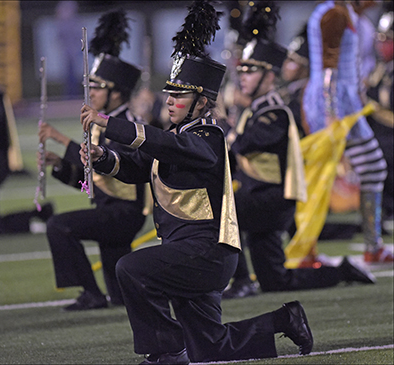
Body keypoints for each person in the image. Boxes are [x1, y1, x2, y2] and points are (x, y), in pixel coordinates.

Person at [79, 1, 313, 363]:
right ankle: (286, 319)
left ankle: (166, 350)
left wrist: (110, 123)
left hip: (207, 252)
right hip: (186, 251)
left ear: (202, 102)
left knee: (132, 268)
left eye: (179, 95)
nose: (169, 100)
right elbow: (137, 167)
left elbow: (170, 146)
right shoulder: (176, 136)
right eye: (168, 93)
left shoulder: (208, 136)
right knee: (210, 345)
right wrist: (102, 158)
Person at [222, 1, 375, 300]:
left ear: (269, 77)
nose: (243, 77)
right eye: (243, 70)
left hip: (272, 200)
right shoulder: (252, 111)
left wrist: (227, 127)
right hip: (260, 197)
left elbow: (242, 144)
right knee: (277, 281)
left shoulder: (275, 113)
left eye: (251, 71)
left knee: (223, 213)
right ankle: (341, 271)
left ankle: (240, 280)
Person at [40, 9, 147, 310]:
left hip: (124, 212)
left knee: (59, 226)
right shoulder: (103, 123)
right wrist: (59, 164)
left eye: (98, 86)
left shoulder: (128, 124)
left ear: (117, 94)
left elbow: (120, 167)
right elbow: (92, 181)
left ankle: (91, 293)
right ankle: (109, 295)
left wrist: (61, 139)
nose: (92, 92)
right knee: (125, 298)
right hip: (108, 208)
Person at [301, 0, 392, 264]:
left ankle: (371, 245)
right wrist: (331, 116)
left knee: (367, 168)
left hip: (340, 102)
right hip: (336, 105)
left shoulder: (338, 10)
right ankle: (308, 250)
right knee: (322, 176)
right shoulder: (335, 13)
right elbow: (330, 68)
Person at [0, 48, 53, 235]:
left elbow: (3, 137)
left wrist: (5, 162)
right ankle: (37, 215)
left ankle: (34, 219)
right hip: (0, 161)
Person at [366, 4, 393, 231]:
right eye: (381, 38)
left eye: (388, 38)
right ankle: (379, 218)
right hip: (381, 135)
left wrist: (370, 107)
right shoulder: (380, 68)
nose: (383, 44)